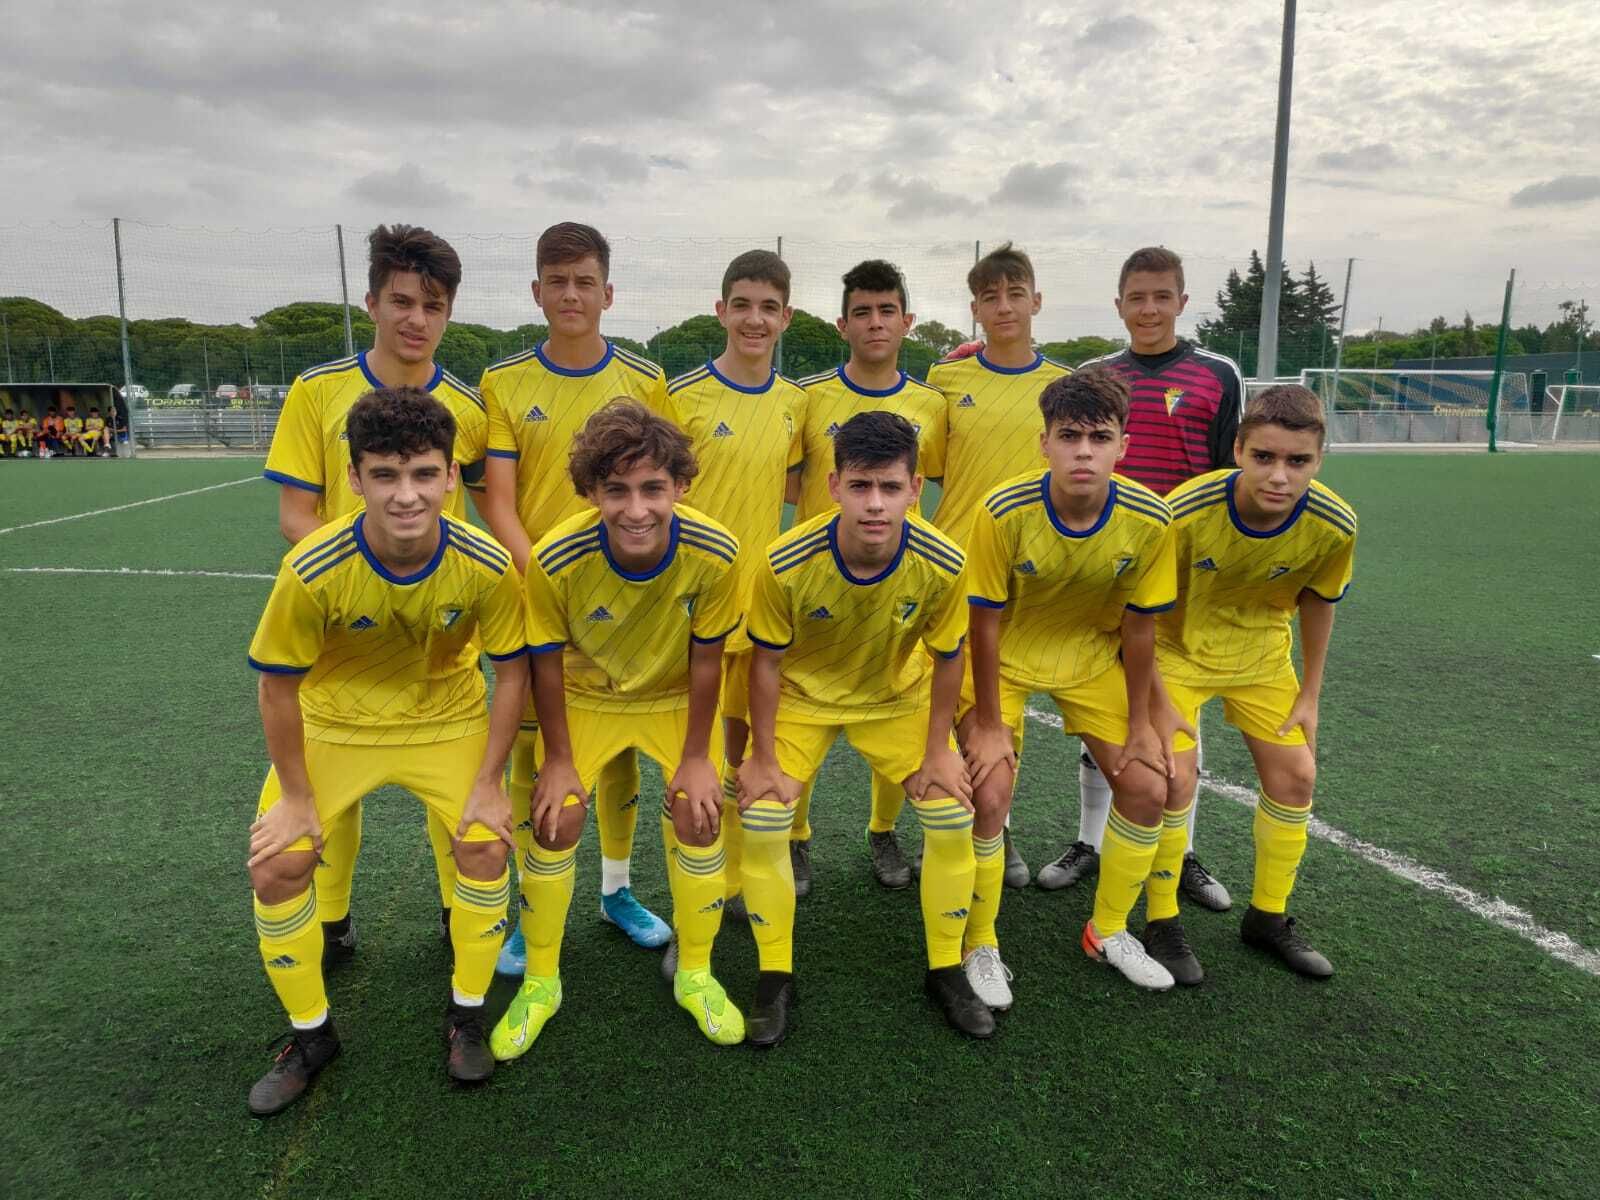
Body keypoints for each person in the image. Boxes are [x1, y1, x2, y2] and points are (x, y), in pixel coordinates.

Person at [242, 387, 529, 1116]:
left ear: (447, 474)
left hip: (445, 720)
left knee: (486, 848)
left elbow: (514, 670)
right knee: (279, 866)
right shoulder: (313, 567)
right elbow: (278, 690)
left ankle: (466, 1013)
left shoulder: (485, 563)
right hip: (334, 725)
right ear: (355, 477)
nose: (407, 495)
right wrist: (298, 799)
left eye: (425, 474)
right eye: (386, 475)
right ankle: (310, 1036)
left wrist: (492, 781)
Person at [489, 401, 747, 1060]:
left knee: (699, 810)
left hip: (671, 699)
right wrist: (560, 761)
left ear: (681, 487)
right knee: (555, 818)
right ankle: (541, 983)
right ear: (590, 492)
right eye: (617, 490)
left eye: (653, 488)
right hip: (583, 697)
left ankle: (696, 973)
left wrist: (696, 757)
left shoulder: (716, 551)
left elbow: (708, 657)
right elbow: (545, 665)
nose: (637, 508)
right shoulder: (556, 558)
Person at [263, 224, 490, 964]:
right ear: (371, 302)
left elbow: (483, 514)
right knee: (337, 785)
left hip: (442, 642)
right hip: (342, 636)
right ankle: (332, 921)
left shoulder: (469, 408)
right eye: (401, 301)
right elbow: (297, 514)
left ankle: (460, 913)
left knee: (450, 791)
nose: (416, 318)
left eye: (432, 304)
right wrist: (362, 576)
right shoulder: (318, 390)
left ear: (449, 312)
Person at [738, 410, 987, 1044]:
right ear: (834, 487)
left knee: (953, 814)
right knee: (764, 817)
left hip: (893, 698)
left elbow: (949, 655)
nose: (875, 504)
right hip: (802, 697)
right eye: (860, 486)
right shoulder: (786, 561)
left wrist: (939, 749)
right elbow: (764, 665)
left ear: (915, 486)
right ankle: (774, 976)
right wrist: (763, 757)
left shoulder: (944, 561)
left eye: (890, 488)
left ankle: (946, 969)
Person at [477, 222, 674, 972]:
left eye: (584, 281)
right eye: (556, 282)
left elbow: (652, 496)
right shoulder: (503, 382)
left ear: (607, 292)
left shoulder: (644, 380)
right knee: (539, 754)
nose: (570, 295)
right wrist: (546, 579)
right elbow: (498, 500)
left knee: (617, 745)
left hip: (628, 603)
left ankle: (617, 891)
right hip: (537, 596)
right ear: (536, 292)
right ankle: (534, 908)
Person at [959, 370, 1181, 1004]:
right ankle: (980, 942)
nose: (1083, 450)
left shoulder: (1149, 518)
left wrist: (1141, 726)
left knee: (1147, 785)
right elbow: (983, 621)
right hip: (1005, 660)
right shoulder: (1002, 510)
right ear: (1045, 444)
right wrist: (988, 721)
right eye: (1069, 436)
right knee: (989, 793)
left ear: (1123, 446)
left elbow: (1140, 632)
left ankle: (1108, 930)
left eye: (1099, 437)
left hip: (1089, 658)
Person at [1037, 246, 1245, 913]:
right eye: (1137, 297)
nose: (1149, 308)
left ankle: (1179, 852)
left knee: (1173, 707)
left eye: (1163, 296)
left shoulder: (1218, 374)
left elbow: (1227, 476)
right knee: (1111, 700)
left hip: (1183, 571)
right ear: (1119, 303)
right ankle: (1089, 840)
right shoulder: (1099, 375)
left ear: (1183, 301)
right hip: (1108, 567)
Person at [1145, 384, 1356, 982]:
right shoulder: (1185, 512)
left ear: (1318, 460)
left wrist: (1310, 694)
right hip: (1175, 652)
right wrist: (1153, 696)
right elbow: (1139, 606)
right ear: (1237, 449)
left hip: (1261, 657)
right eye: (1264, 457)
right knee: (1173, 779)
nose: (1280, 476)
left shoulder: (1333, 524)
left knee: (1297, 776)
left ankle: (1268, 917)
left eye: (1298, 461)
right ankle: (1160, 918)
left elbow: (1319, 601)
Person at [786, 259, 947, 895]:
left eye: (887, 311)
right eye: (862, 311)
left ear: (907, 321)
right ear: (842, 324)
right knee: (804, 706)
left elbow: (929, 486)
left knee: (896, 696)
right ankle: (795, 838)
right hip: (813, 587)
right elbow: (790, 479)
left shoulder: (931, 405)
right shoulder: (809, 398)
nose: (875, 323)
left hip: (896, 587)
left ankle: (882, 830)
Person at [659, 250, 803, 941]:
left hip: (762, 613)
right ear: (720, 311)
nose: (754, 319)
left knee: (748, 755)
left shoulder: (796, 405)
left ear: (786, 318)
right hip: (692, 616)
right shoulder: (681, 396)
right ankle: (702, 891)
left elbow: (803, 488)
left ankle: (743, 880)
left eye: (768, 307)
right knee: (697, 762)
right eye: (741, 304)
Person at [926, 242, 1072, 889]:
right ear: (975, 309)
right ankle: (956, 824)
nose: (1005, 306)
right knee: (959, 706)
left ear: (1037, 301)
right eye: (991, 297)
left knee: (1007, 704)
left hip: (1036, 575)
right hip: (958, 572)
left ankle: (997, 822)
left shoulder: (1063, 388)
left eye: (1017, 294)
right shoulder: (946, 382)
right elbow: (924, 470)